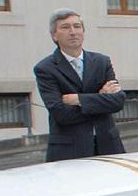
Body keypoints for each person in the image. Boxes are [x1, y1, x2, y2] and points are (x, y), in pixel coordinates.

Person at [33, 9, 126, 162]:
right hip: (69, 152)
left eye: (77, 26)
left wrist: (78, 99)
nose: (73, 32)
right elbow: (61, 114)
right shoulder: (45, 69)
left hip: (109, 146)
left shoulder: (102, 62)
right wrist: (101, 99)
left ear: (83, 31)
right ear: (54, 35)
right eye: (65, 27)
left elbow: (118, 101)